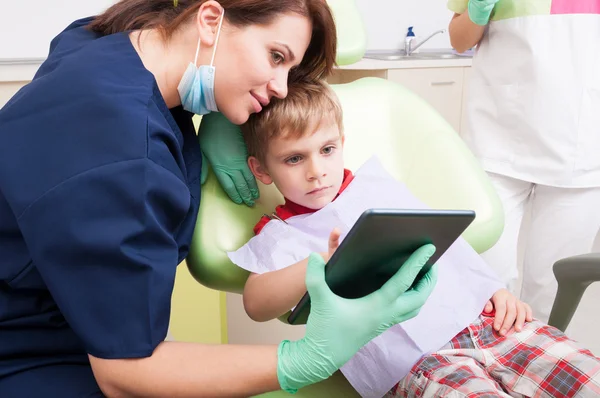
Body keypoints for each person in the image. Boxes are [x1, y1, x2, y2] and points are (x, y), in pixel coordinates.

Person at [0, 1, 439, 396]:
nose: (282, 87)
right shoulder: (126, 157)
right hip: (29, 349)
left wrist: (212, 108)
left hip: (66, 310)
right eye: (275, 56)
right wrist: (305, 359)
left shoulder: (108, 41)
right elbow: (124, 371)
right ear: (210, 19)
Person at [233, 80, 600, 397]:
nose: (317, 171)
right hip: (413, 361)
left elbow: (445, 245)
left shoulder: (375, 187)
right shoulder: (281, 234)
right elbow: (256, 302)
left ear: (342, 143)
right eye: (294, 159)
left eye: (327, 150)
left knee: (588, 376)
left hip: (486, 322)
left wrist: (495, 289)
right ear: (262, 169)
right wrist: (323, 265)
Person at [447, 1, 600, 322]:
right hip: (498, 142)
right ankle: (480, 369)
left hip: (582, 150)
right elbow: (459, 39)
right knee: (486, 286)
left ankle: (535, 369)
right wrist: (479, 10)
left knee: (553, 292)